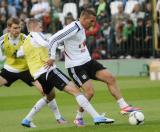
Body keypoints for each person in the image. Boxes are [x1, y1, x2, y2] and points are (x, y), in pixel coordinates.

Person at [48, 9, 141, 127]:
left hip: (88, 62)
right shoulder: (73, 27)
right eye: (91, 21)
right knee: (90, 92)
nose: (93, 24)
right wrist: (51, 57)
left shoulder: (81, 28)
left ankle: (124, 107)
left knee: (110, 78)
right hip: (76, 67)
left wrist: (63, 46)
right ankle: (78, 118)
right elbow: (53, 39)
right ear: (84, 18)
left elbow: (67, 42)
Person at [17, 18, 114, 127]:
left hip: (37, 75)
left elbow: (19, 54)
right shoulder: (36, 34)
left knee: (50, 96)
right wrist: (55, 44)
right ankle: (97, 117)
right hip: (48, 71)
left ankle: (27, 119)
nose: (42, 28)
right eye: (40, 26)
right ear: (34, 27)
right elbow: (45, 43)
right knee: (77, 92)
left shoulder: (26, 41)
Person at [0, 17, 66, 128]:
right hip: (9, 69)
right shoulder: (2, 40)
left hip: (26, 70)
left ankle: (58, 117)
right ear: (8, 28)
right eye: (15, 28)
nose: (18, 30)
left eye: (19, 27)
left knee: (46, 92)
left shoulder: (26, 38)